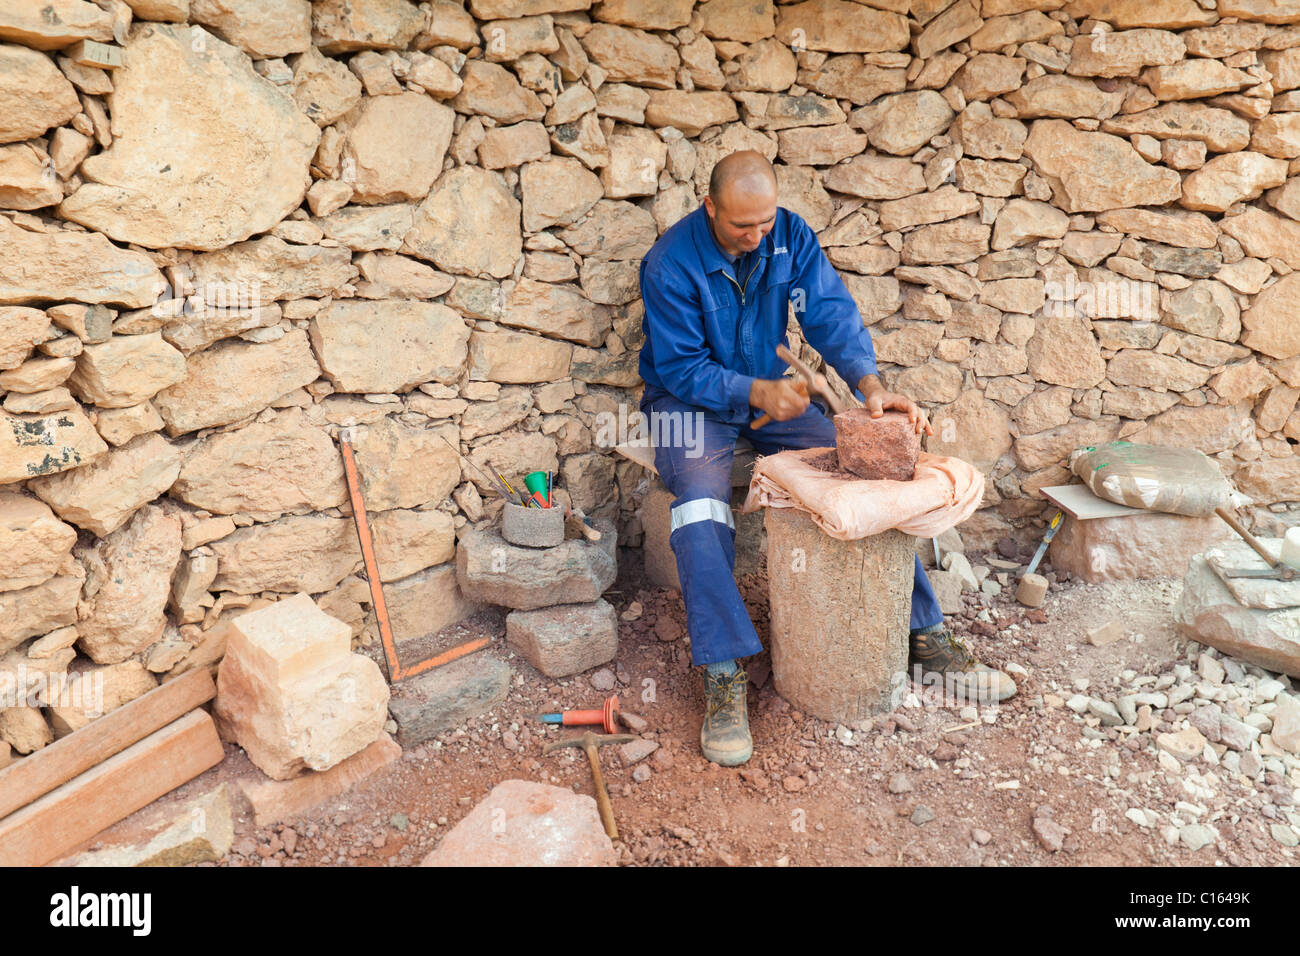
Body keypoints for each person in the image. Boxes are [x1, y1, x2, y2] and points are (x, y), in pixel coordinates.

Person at [637, 150, 1016, 767]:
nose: (758, 236)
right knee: (700, 508)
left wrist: (868, 385)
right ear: (710, 209)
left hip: (776, 397)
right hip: (689, 403)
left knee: (856, 474)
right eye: (742, 226)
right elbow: (680, 366)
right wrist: (755, 391)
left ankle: (922, 634)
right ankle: (724, 669)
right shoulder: (670, 262)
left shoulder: (789, 235)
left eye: (765, 222)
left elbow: (830, 313)